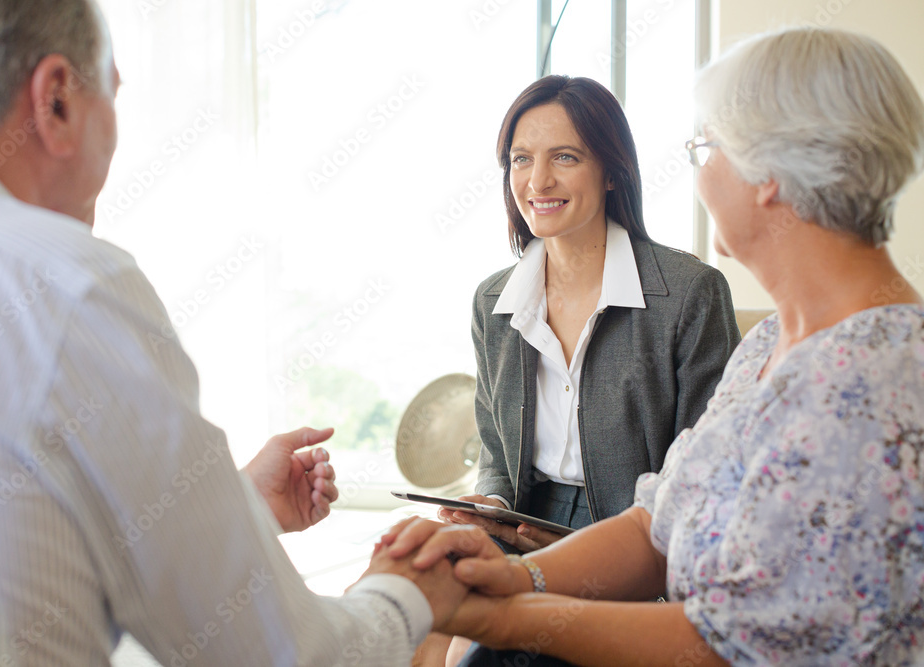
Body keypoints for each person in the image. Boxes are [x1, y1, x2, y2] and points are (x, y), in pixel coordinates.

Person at [0, 1, 465, 665]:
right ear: (57, 100)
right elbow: (278, 657)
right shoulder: (65, 283)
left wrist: (232, 510)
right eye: (112, 94)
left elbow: (0, 542)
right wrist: (407, 593)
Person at [385, 26, 924, 665]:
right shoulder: (770, 346)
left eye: (706, 147)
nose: (699, 171)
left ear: (770, 174)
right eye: (521, 160)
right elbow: (656, 521)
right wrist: (515, 578)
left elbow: (732, 645)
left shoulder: (874, 383)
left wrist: (506, 617)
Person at [440, 75, 740, 553]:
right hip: (519, 525)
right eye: (521, 159)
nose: (538, 181)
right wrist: (491, 505)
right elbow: (497, 456)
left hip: (641, 541)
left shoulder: (690, 293)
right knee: (410, 568)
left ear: (612, 172)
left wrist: (582, 549)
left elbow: (707, 471)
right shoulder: (492, 302)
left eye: (565, 157)